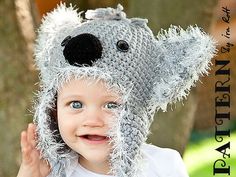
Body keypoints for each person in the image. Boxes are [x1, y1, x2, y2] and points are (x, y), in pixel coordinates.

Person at [17, 3, 216, 177]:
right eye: (76, 104)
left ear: (139, 108)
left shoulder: (164, 167)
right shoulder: (53, 172)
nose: (93, 121)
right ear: (53, 110)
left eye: (112, 105)